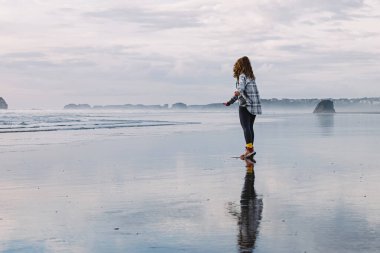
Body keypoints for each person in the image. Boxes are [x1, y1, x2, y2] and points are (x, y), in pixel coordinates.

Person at [224, 56, 262, 160]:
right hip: (255, 105)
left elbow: (240, 89)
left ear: (239, 66)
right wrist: (231, 101)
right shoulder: (251, 77)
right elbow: (242, 92)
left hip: (246, 105)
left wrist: (235, 94)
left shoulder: (242, 76)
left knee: (245, 127)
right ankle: (250, 149)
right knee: (250, 127)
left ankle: (249, 150)